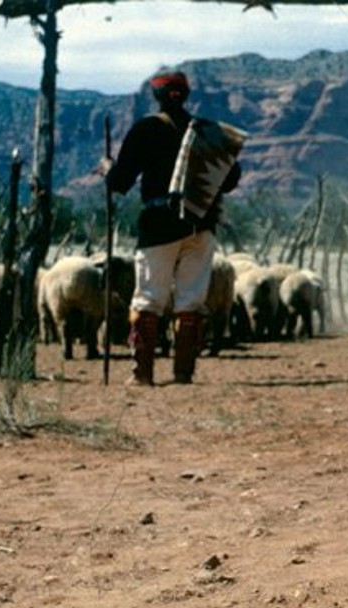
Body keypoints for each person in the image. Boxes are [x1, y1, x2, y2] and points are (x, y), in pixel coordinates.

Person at [104, 70, 242, 385]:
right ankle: (183, 372)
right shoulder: (208, 132)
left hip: (159, 227)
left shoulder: (147, 129)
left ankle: (142, 374)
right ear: (185, 95)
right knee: (191, 301)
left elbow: (120, 182)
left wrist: (107, 169)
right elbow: (231, 179)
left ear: (157, 96)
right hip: (202, 227)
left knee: (149, 298)